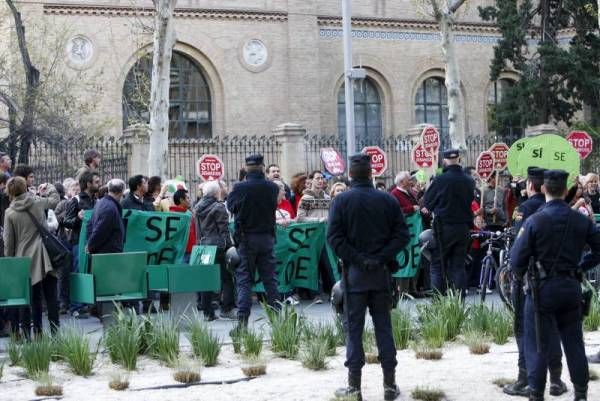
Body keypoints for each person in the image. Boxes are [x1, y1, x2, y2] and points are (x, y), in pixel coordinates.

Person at [510, 169, 600, 401]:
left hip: (541, 290)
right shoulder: (580, 220)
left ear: (543, 189)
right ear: (566, 190)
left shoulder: (535, 221)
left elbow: (516, 259)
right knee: (574, 343)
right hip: (571, 286)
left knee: (538, 344)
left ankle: (537, 394)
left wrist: (521, 277)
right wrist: (581, 265)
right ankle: (580, 394)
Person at [327, 153, 410, 401]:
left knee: (353, 331)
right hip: (380, 274)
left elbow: (334, 239)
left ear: (350, 174)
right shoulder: (386, 200)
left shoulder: (342, 201)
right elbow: (402, 236)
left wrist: (359, 259)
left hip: (355, 275)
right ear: (371, 173)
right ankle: (389, 385)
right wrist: (380, 257)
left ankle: (355, 387)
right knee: (384, 328)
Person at [504, 167, 567, 398]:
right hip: (558, 277)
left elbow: (519, 246)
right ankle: (557, 380)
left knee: (524, 330)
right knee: (552, 329)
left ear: (531, 185)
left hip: (529, 278)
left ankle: (524, 378)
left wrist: (513, 272)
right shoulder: (559, 209)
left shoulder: (526, 208)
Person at [3, 177, 60, 337]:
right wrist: (48, 186)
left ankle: (32, 334)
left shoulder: (10, 212)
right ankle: (56, 334)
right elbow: (55, 200)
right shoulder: (37, 202)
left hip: (24, 260)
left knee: (29, 299)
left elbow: (9, 242)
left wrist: (12, 262)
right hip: (45, 256)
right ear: (25, 187)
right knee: (51, 296)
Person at [227, 154, 280, 327]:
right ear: (263, 167)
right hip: (266, 237)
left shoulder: (240, 187)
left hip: (247, 239)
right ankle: (278, 322)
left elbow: (231, 207)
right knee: (270, 280)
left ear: (245, 168)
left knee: (244, 281)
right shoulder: (272, 187)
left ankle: (242, 323)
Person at [424, 149, 475, 294]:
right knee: (458, 266)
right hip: (463, 227)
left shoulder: (440, 179)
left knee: (437, 265)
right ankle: (459, 302)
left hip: (444, 227)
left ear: (445, 161)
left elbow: (427, 203)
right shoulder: (469, 180)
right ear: (459, 159)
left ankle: (438, 303)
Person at [196, 180, 236, 321]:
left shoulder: (198, 206)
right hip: (219, 246)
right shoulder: (219, 207)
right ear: (216, 192)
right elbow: (224, 230)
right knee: (227, 278)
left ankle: (208, 313)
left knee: (206, 279)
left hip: (204, 246)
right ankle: (227, 309)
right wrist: (230, 246)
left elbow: (198, 230)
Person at [62, 172, 100, 318]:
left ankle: (87, 304)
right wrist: (78, 218)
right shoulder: (76, 200)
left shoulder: (97, 201)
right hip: (78, 243)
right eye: (96, 181)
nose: (99, 183)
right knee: (79, 272)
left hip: (93, 243)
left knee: (90, 273)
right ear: (88, 184)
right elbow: (66, 222)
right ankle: (76, 307)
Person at [86, 179, 126, 255]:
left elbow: (89, 225)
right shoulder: (110, 208)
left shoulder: (101, 202)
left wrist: (89, 243)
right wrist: (90, 246)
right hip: (107, 254)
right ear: (121, 192)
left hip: (104, 252)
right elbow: (100, 230)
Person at [169, 189, 197, 262]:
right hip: (181, 252)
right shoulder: (173, 215)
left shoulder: (189, 213)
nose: (190, 200)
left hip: (193, 250)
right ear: (181, 200)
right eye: (187, 198)